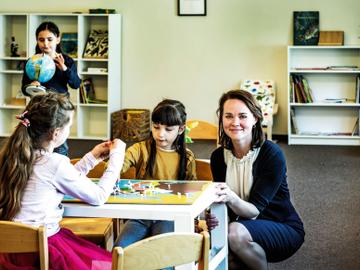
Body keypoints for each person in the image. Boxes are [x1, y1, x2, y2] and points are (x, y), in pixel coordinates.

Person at [0, 93, 126, 270]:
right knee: (105, 264)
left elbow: (57, 182)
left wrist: (92, 157)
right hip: (43, 251)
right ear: (56, 133)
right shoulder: (54, 163)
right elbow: (98, 196)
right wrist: (117, 157)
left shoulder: (13, 156)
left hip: (9, 251)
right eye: (69, 126)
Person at [207, 90, 304, 270]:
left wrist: (230, 197)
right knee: (225, 254)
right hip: (244, 226)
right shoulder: (218, 157)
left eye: (242, 116)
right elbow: (224, 205)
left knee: (233, 234)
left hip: (282, 226)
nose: (235, 122)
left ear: (255, 119)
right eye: (228, 116)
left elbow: (253, 211)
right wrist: (214, 217)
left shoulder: (271, 154)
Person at [115, 99, 197, 248]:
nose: (160, 134)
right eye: (156, 127)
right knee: (120, 249)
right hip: (141, 215)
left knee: (162, 255)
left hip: (170, 216)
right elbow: (117, 167)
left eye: (168, 129)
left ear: (181, 129)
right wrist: (114, 158)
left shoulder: (188, 157)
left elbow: (193, 192)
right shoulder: (140, 149)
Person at [21, 21, 82, 156]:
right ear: (37, 41)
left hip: (60, 109)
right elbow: (24, 89)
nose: (45, 44)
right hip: (39, 108)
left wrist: (65, 69)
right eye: (41, 40)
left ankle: (60, 171)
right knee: (35, 144)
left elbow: (76, 84)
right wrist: (32, 86)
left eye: (50, 39)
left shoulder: (67, 60)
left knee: (59, 143)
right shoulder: (32, 63)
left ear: (58, 39)